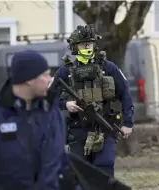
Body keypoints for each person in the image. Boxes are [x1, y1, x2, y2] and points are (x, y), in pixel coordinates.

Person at [0, 50, 67, 190]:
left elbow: (61, 162)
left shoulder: (51, 112)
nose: (50, 79)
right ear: (29, 80)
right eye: (45, 74)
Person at [53, 24, 134, 184]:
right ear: (75, 47)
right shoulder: (64, 72)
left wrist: (128, 123)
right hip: (77, 129)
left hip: (105, 126)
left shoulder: (109, 68)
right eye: (83, 44)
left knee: (104, 168)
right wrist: (65, 104)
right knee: (78, 171)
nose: (87, 47)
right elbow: (48, 98)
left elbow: (125, 93)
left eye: (89, 44)